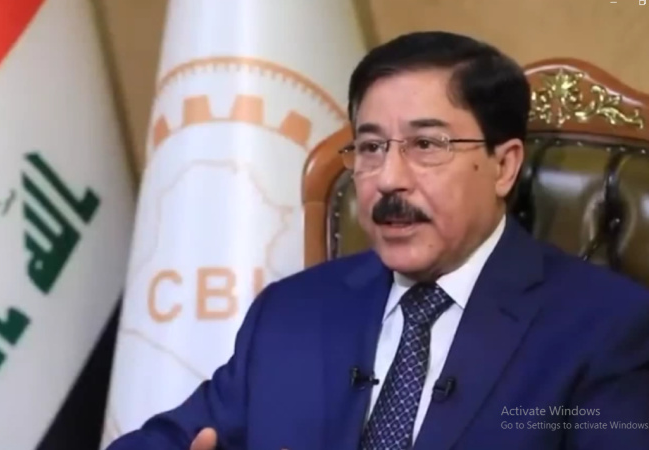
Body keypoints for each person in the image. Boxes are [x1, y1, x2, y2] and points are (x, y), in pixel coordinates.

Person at [106, 31, 649, 450]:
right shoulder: (291, 311)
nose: (388, 179)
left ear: (503, 166)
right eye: (370, 148)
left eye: (426, 145)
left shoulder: (606, 328)